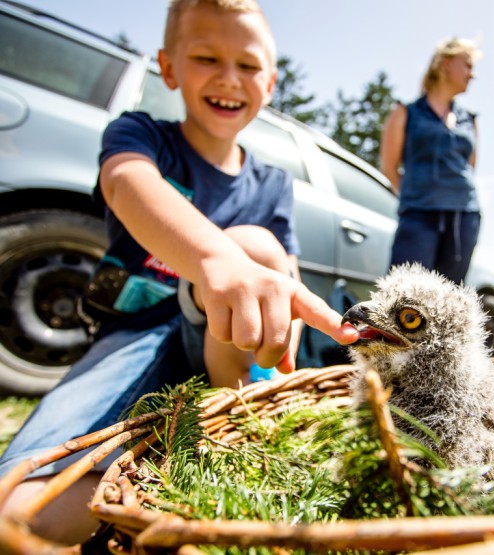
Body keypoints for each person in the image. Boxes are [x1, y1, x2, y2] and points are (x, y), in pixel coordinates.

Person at [0, 0, 358, 543]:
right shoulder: (142, 135)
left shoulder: (272, 184)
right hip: (136, 335)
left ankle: (238, 435)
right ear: (167, 67)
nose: (229, 79)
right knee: (21, 499)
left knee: (255, 245)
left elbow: (283, 274)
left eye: (248, 65)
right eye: (207, 58)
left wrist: (282, 350)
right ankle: (168, 478)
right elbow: (127, 185)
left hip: (230, 358)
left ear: (272, 80)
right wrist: (216, 261)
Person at [380, 38, 481, 284]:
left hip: (464, 216)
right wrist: (415, 195)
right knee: (405, 293)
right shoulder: (406, 112)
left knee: (449, 297)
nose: (472, 74)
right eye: (467, 65)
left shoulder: (469, 119)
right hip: (419, 214)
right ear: (445, 64)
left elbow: (471, 166)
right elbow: (389, 166)